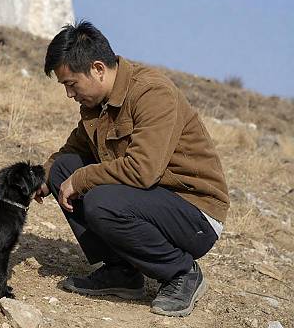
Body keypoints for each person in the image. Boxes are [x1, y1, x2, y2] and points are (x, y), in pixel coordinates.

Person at [34, 21, 229, 317]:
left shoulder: (152, 92)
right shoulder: (97, 103)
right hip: (149, 201)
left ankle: (182, 273)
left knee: (100, 200)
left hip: (194, 214)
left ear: (98, 68)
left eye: (71, 84)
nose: (69, 95)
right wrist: (45, 176)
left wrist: (83, 178)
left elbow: (143, 170)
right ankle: (121, 272)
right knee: (63, 169)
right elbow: (73, 150)